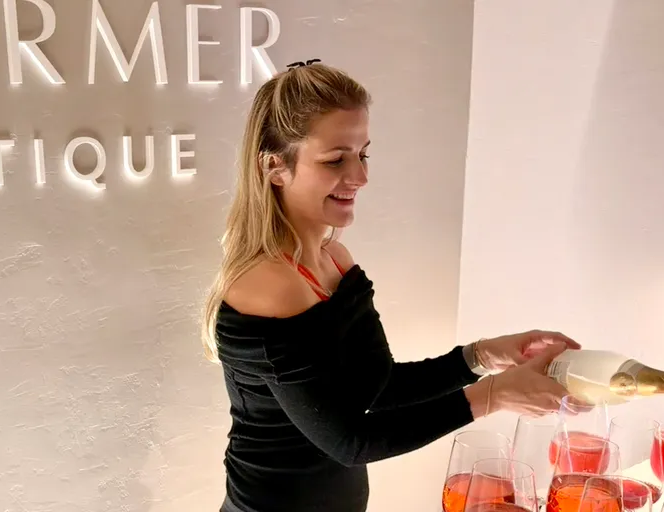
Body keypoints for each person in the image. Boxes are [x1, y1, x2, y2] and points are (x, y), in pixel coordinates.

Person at [199, 61, 580, 512]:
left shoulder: (334, 261)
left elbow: (378, 388)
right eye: (335, 158)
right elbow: (349, 441)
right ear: (275, 167)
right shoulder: (268, 286)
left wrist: (483, 356)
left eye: (363, 154)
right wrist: (495, 395)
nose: (359, 176)